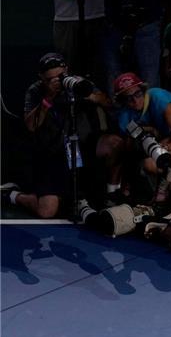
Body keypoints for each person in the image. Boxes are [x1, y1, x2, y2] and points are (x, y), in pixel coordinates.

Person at [3, 53, 112, 218]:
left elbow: (107, 102)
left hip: (82, 148)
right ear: (41, 78)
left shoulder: (77, 83)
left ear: (66, 70)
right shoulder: (36, 90)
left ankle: (113, 194)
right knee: (47, 210)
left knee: (114, 143)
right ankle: (13, 195)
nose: (56, 81)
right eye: (49, 79)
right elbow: (31, 126)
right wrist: (48, 98)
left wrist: (89, 94)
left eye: (60, 76)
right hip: (53, 154)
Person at [103, 72, 171, 208]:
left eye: (138, 94)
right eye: (128, 98)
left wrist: (164, 149)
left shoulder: (157, 96)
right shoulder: (124, 116)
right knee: (149, 163)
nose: (135, 100)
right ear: (122, 100)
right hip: (164, 136)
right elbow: (129, 152)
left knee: (167, 149)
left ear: (144, 90)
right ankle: (169, 173)